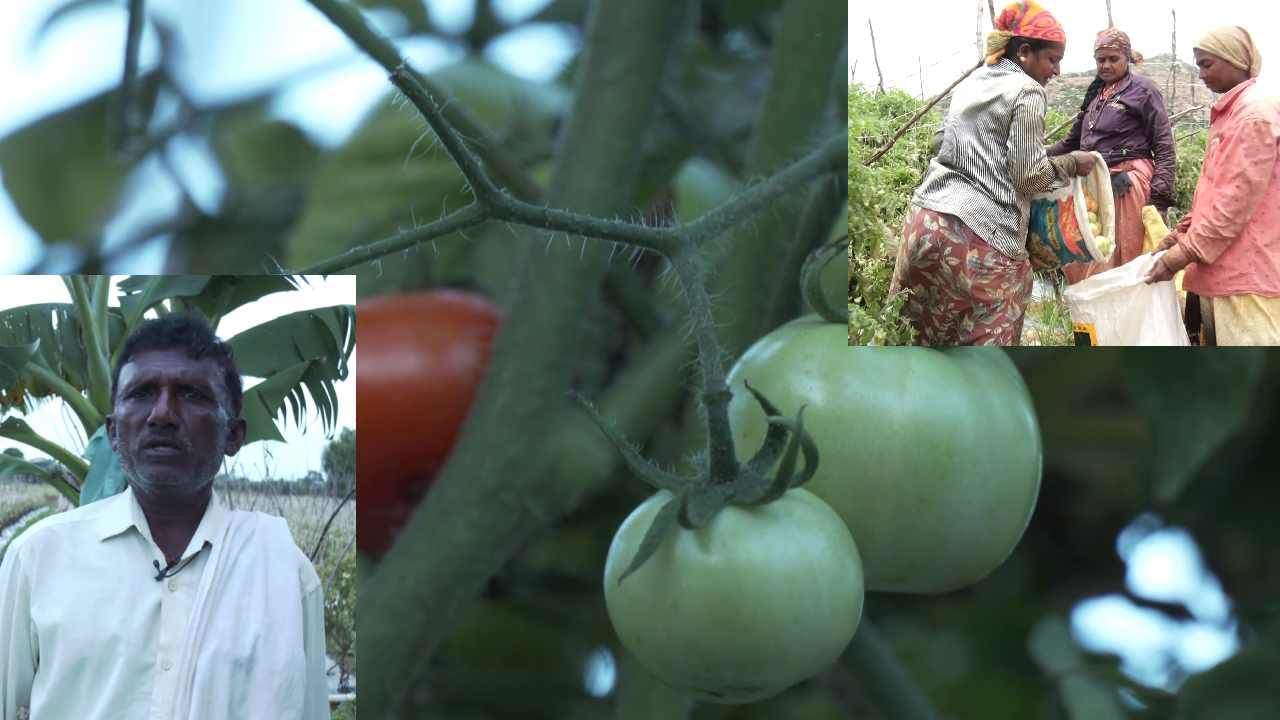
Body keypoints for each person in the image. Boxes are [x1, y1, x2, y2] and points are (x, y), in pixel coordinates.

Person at [0, 313, 330, 719]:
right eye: (141, 393)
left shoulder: (284, 574)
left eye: (191, 394)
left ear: (234, 435)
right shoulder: (38, 558)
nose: (162, 414)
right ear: (114, 432)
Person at [890, 0, 1095, 345]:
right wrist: (1072, 163)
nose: (1056, 71)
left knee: (912, 340)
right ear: (1025, 52)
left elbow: (941, 141)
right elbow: (1029, 177)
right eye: (1053, 60)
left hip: (925, 224)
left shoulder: (972, 83)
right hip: (980, 241)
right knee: (983, 360)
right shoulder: (1027, 90)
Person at [1144, 27, 1280, 345]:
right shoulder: (1233, 113)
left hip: (1247, 275)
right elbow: (1214, 192)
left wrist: (1183, 254)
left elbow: (1234, 203)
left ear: (1236, 61)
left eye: (1207, 64)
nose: (1202, 74)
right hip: (1227, 268)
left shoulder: (1253, 116)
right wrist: (1180, 234)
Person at [1048, 28, 1177, 283]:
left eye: (1113, 59)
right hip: (1094, 182)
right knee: (1090, 252)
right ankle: (1096, 321)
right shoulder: (1096, 94)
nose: (1105, 65)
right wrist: (1038, 155)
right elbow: (1073, 141)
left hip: (1126, 184)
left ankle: (1126, 320)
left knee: (1121, 259)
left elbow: (1164, 145)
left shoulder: (1143, 90)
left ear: (1127, 58)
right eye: (1100, 60)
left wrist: (1159, 199)